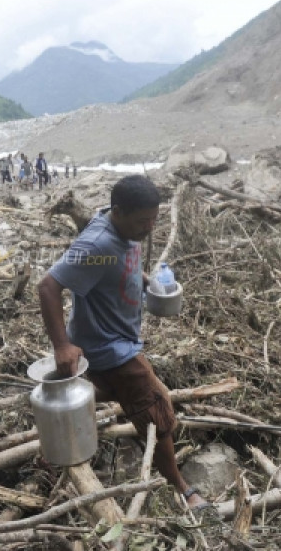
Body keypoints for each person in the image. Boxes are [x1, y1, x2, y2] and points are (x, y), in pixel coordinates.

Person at [37, 175, 211, 512]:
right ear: (118, 211)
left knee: (103, 396)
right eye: (142, 221)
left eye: (153, 220)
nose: (148, 228)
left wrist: (149, 284)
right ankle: (183, 491)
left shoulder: (124, 229)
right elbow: (47, 287)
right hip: (110, 348)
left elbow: (121, 266)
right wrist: (62, 346)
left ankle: (63, 423)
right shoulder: (96, 244)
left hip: (117, 338)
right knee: (158, 412)